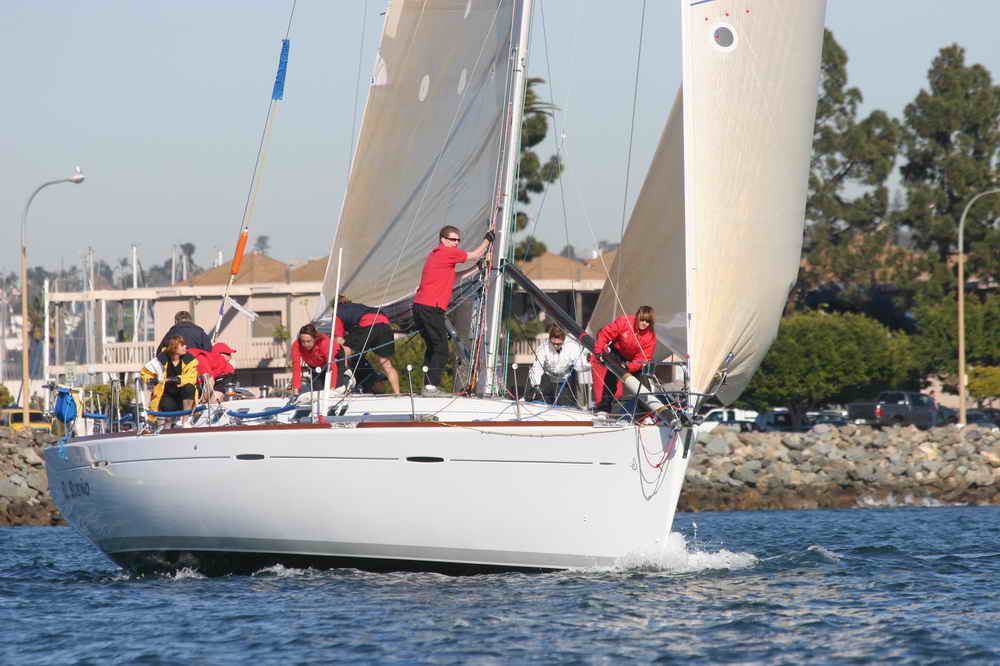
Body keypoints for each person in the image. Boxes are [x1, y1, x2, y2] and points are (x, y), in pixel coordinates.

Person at [412, 225, 493, 394]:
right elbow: (475, 255)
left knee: (433, 346)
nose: (456, 243)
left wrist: (477, 269)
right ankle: (431, 386)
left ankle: (427, 385)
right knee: (441, 348)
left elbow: (455, 278)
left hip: (420, 306)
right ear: (443, 240)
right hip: (431, 307)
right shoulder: (447, 252)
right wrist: (488, 239)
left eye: (458, 240)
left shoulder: (436, 255)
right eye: (453, 239)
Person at [591, 306, 657, 414]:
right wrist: (598, 350)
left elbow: (643, 358)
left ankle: (646, 414)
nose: (644, 323)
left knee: (643, 385)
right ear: (637, 317)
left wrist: (629, 366)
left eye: (648, 322)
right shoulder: (624, 321)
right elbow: (605, 333)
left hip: (634, 361)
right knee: (611, 378)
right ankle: (604, 408)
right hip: (617, 353)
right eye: (642, 320)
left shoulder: (650, 337)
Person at [337, 295, 401, 394]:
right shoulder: (360, 307)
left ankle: (344, 377)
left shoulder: (338, 312)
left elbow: (339, 339)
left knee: (345, 349)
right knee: (387, 364)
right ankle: (397, 393)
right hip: (385, 326)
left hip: (368, 324)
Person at [140, 335, 200, 426]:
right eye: (182, 345)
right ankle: (169, 424)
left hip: (183, 398)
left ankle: (185, 421)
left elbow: (192, 378)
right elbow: (145, 372)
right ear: (174, 347)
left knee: (189, 387)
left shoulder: (189, 360)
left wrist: (176, 379)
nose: (185, 347)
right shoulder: (160, 360)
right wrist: (150, 380)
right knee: (164, 404)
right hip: (167, 397)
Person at [527, 325, 589, 406]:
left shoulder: (573, 347)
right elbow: (537, 368)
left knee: (566, 405)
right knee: (541, 402)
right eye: (553, 343)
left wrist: (586, 365)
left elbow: (580, 365)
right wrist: (536, 384)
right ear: (550, 339)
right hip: (547, 377)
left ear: (564, 340)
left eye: (559, 344)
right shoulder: (543, 348)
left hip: (565, 379)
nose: (555, 346)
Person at [290, 323, 340, 394]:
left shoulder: (323, 343)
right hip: (316, 367)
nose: (305, 344)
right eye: (303, 341)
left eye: (308, 341)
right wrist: (296, 392)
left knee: (336, 390)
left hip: (335, 362)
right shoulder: (296, 345)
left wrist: (332, 389)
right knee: (317, 393)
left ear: (315, 339)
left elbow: (333, 367)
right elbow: (296, 368)